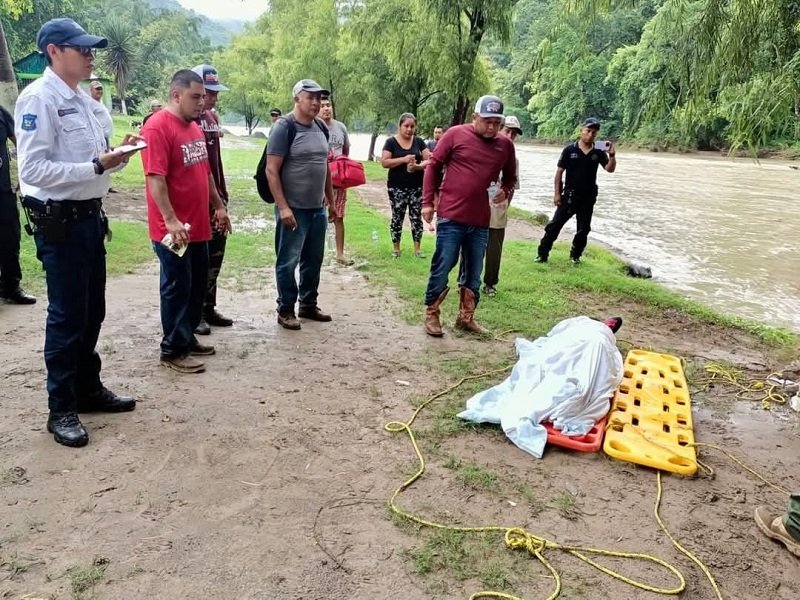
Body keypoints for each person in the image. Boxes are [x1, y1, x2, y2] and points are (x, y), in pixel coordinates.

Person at [15, 17, 142, 447]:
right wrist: (94, 166)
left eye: (91, 49)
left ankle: (88, 390)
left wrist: (118, 155)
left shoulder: (87, 103)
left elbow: (96, 161)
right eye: (81, 48)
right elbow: (32, 170)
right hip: (59, 223)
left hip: (89, 217)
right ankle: (61, 408)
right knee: (67, 317)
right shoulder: (38, 100)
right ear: (54, 51)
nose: (90, 55)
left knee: (93, 312)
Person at [140, 69, 231, 374]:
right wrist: (170, 221)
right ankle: (173, 349)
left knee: (196, 285)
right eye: (195, 97)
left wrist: (218, 206)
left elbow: (204, 173)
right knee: (177, 286)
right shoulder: (157, 128)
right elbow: (156, 178)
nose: (202, 103)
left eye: (204, 97)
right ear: (176, 95)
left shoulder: (194, 128)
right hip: (173, 231)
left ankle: (187, 336)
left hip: (198, 226)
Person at [422, 95, 516, 337]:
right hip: (451, 215)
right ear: (475, 117)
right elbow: (433, 166)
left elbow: (510, 178)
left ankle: (466, 317)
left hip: (481, 220)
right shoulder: (454, 135)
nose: (493, 127)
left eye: (497, 123)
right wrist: (427, 203)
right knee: (444, 264)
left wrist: (504, 192)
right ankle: (432, 313)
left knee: (474, 270)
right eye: (487, 121)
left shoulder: (505, 145)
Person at [267, 79, 334, 331]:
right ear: (297, 99)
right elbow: (271, 171)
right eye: (311, 97)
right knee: (288, 260)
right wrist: (283, 207)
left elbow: (325, 165)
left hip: (317, 208)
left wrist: (330, 197)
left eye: (319, 98)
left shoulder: (320, 126)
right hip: (293, 208)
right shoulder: (284, 127)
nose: (316, 103)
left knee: (313, 259)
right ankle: (285, 308)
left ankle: (308, 303)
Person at [535, 117, 616, 265]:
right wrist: (557, 193)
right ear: (581, 131)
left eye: (594, 132)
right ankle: (542, 254)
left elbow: (610, 169)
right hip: (569, 196)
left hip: (588, 197)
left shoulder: (598, 152)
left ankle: (575, 256)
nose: (590, 135)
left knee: (583, 229)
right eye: (588, 131)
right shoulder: (569, 150)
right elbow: (559, 172)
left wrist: (612, 155)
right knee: (554, 225)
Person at [191, 64, 234, 336]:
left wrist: (221, 198)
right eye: (209, 92)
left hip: (217, 195)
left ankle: (208, 307)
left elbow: (214, 162)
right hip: (197, 203)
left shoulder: (211, 118)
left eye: (216, 92)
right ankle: (194, 313)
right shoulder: (188, 120)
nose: (213, 97)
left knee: (215, 257)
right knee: (197, 260)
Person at [380, 113, 431, 258]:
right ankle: (396, 249)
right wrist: (403, 159)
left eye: (412, 126)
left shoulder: (419, 142)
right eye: (406, 126)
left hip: (416, 186)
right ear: (400, 126)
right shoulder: (391, 142)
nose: (409, 129)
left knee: (416, 217)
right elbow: (384, 162)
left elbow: (430, 159)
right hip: (397, 187)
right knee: (397, 217)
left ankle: (417, 249)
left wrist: (418, 167)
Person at [482, 115, 522, 297]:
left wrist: (505, 204)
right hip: (476, 208)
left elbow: (513, 185)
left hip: (498, 210)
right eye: (507, 131)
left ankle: (490, 283)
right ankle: (465, 281)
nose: (510, 136)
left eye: (514, 134)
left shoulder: (514, 159)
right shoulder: (482, 150)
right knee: (470, 248)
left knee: (494, 251)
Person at [0, 105, 36, 305]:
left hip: (3, 192)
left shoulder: (1, 113)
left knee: (10, 239)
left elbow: (22, 145)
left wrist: (24, 177)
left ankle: (10, 286)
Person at [319, 95, 352, 265]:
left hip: (338, 180)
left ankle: (340, 254)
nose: (326, 108)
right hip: (318, 180)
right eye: (322, 105)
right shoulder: (314, 127)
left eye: (328, 105)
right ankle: (317, 253)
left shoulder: (341, 127)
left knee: (339, 216)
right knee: (318, 216)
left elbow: (346, 150)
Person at [88, 79, 113, 144]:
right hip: (98, 137)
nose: (100, 91)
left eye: (101, 89)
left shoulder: (100, 102)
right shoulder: (89, 103)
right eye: (97, 89)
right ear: (91, 90)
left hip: (105, 136)